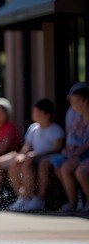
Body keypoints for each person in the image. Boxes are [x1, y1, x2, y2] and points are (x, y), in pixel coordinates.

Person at [4, 99, 64, 212]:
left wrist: (36, 154)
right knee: (14, 164)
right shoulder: (33, 128)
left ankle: (38, 199)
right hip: (34, 157)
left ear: (46, 114)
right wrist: (20, 156)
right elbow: (27, 146)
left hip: (47, 159)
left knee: (36, 164)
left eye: (36, 111)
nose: (33, 114)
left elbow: (57, 149)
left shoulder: (56, 129)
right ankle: (23, 197)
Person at [52, 82, 89, 212]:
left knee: (81, 171)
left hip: (84, 152)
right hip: (80, 153)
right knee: (63, 167)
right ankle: (73, 202)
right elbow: (71, 136)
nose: (72, 103)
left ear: (85, 100)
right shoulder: (73, 114)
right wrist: (69, 150)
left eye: (76, 100)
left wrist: (75, 153)